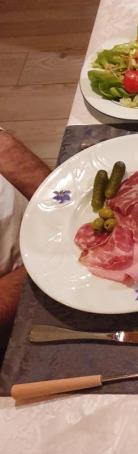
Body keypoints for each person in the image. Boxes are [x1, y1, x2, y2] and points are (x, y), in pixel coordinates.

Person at [0, 127, 51, 349]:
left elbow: (3, 148)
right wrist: (44, 266)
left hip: (48, 233)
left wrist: (58, 207)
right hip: (19, 292)